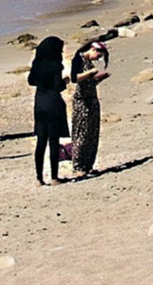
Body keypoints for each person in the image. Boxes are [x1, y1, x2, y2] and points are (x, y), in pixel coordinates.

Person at [27, 37, 69, 185]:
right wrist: (65, 83)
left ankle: (39, 178)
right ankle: (54, 176)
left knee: (41, 141)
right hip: (53, 102)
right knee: (53, 140)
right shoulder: (56, 65)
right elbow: (58, 86)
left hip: (39, 103)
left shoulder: (37, 64)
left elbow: (31, 81)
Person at [70, 41, 109, 177]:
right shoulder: (79, 59)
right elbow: (74, 78)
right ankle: (78, 165)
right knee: (82, 132)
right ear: (93, 50)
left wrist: (98, 78)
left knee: (93, 132)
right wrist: (90, 73)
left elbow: (88, 82)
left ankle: (88, 165)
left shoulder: (88, 62)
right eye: (98, 56)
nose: (97, 59)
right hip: (82, 101)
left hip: (91, 98)